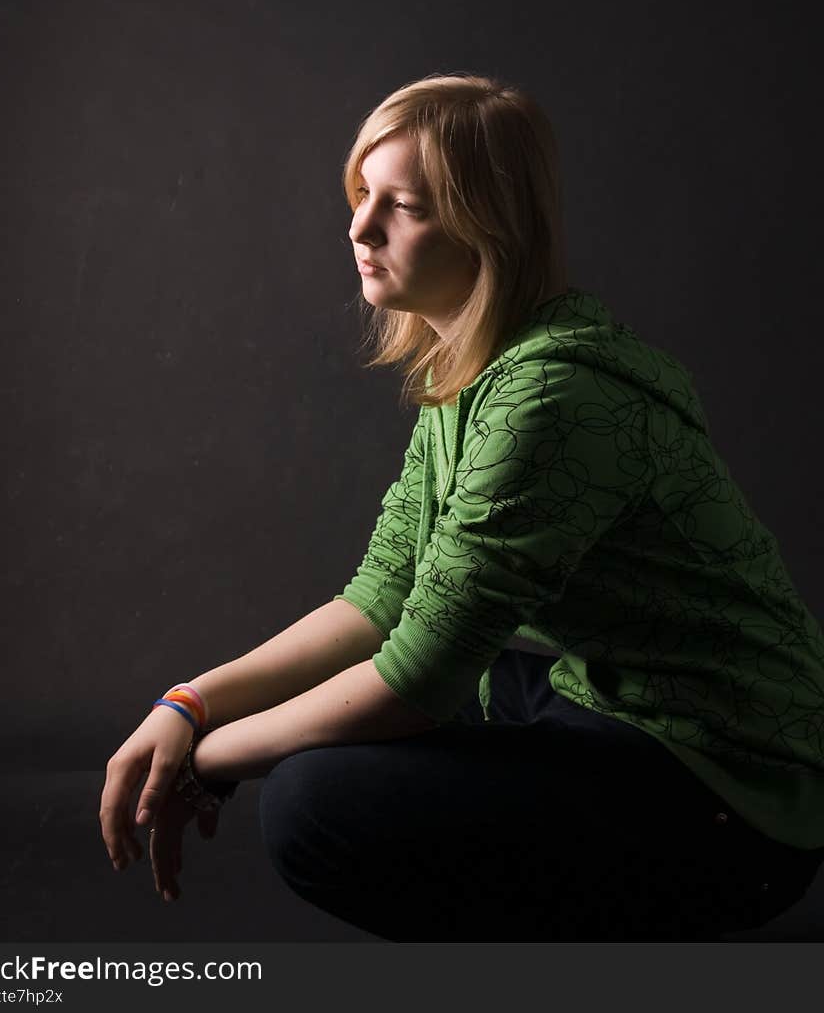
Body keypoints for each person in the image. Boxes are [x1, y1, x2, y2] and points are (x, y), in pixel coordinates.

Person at [99, 73, 824, 942]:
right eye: (362, 193)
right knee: (389, 708)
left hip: (731, 796)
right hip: (611, 703)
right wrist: (188, 705)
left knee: (312, 802)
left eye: (402, 205)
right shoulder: (475, 374)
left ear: (491, 226)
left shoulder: (552, 397)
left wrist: (203, 765)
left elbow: (413, 681)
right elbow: (379, 601)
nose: (361, 227)